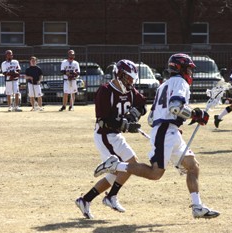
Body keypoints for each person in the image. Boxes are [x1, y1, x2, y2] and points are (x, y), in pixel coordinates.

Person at [94, 53, 220, 219]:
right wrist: (196, 114)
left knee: (193, 166)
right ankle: (116, 166)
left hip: (169, 131)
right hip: (166, 132)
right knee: (155, 173)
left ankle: (197, 206)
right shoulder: (180, 83)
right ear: (180, 68)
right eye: (188, 69)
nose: (190, 73)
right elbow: (176, 107)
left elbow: (152, 117)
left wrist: (176, 124)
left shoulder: (164, 86)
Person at [75, 59, 147, 219]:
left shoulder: (130, 91)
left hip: (115, 135)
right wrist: (125, 125)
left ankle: (86, 200)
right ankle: (110, 197)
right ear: (120, 74)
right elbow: (103, 120)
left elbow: (143, 105)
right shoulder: (105, 90)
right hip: (105, 135)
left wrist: (135, 114)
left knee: (121, 170)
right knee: (126, 167)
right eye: (129, 78)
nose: (131, 82)